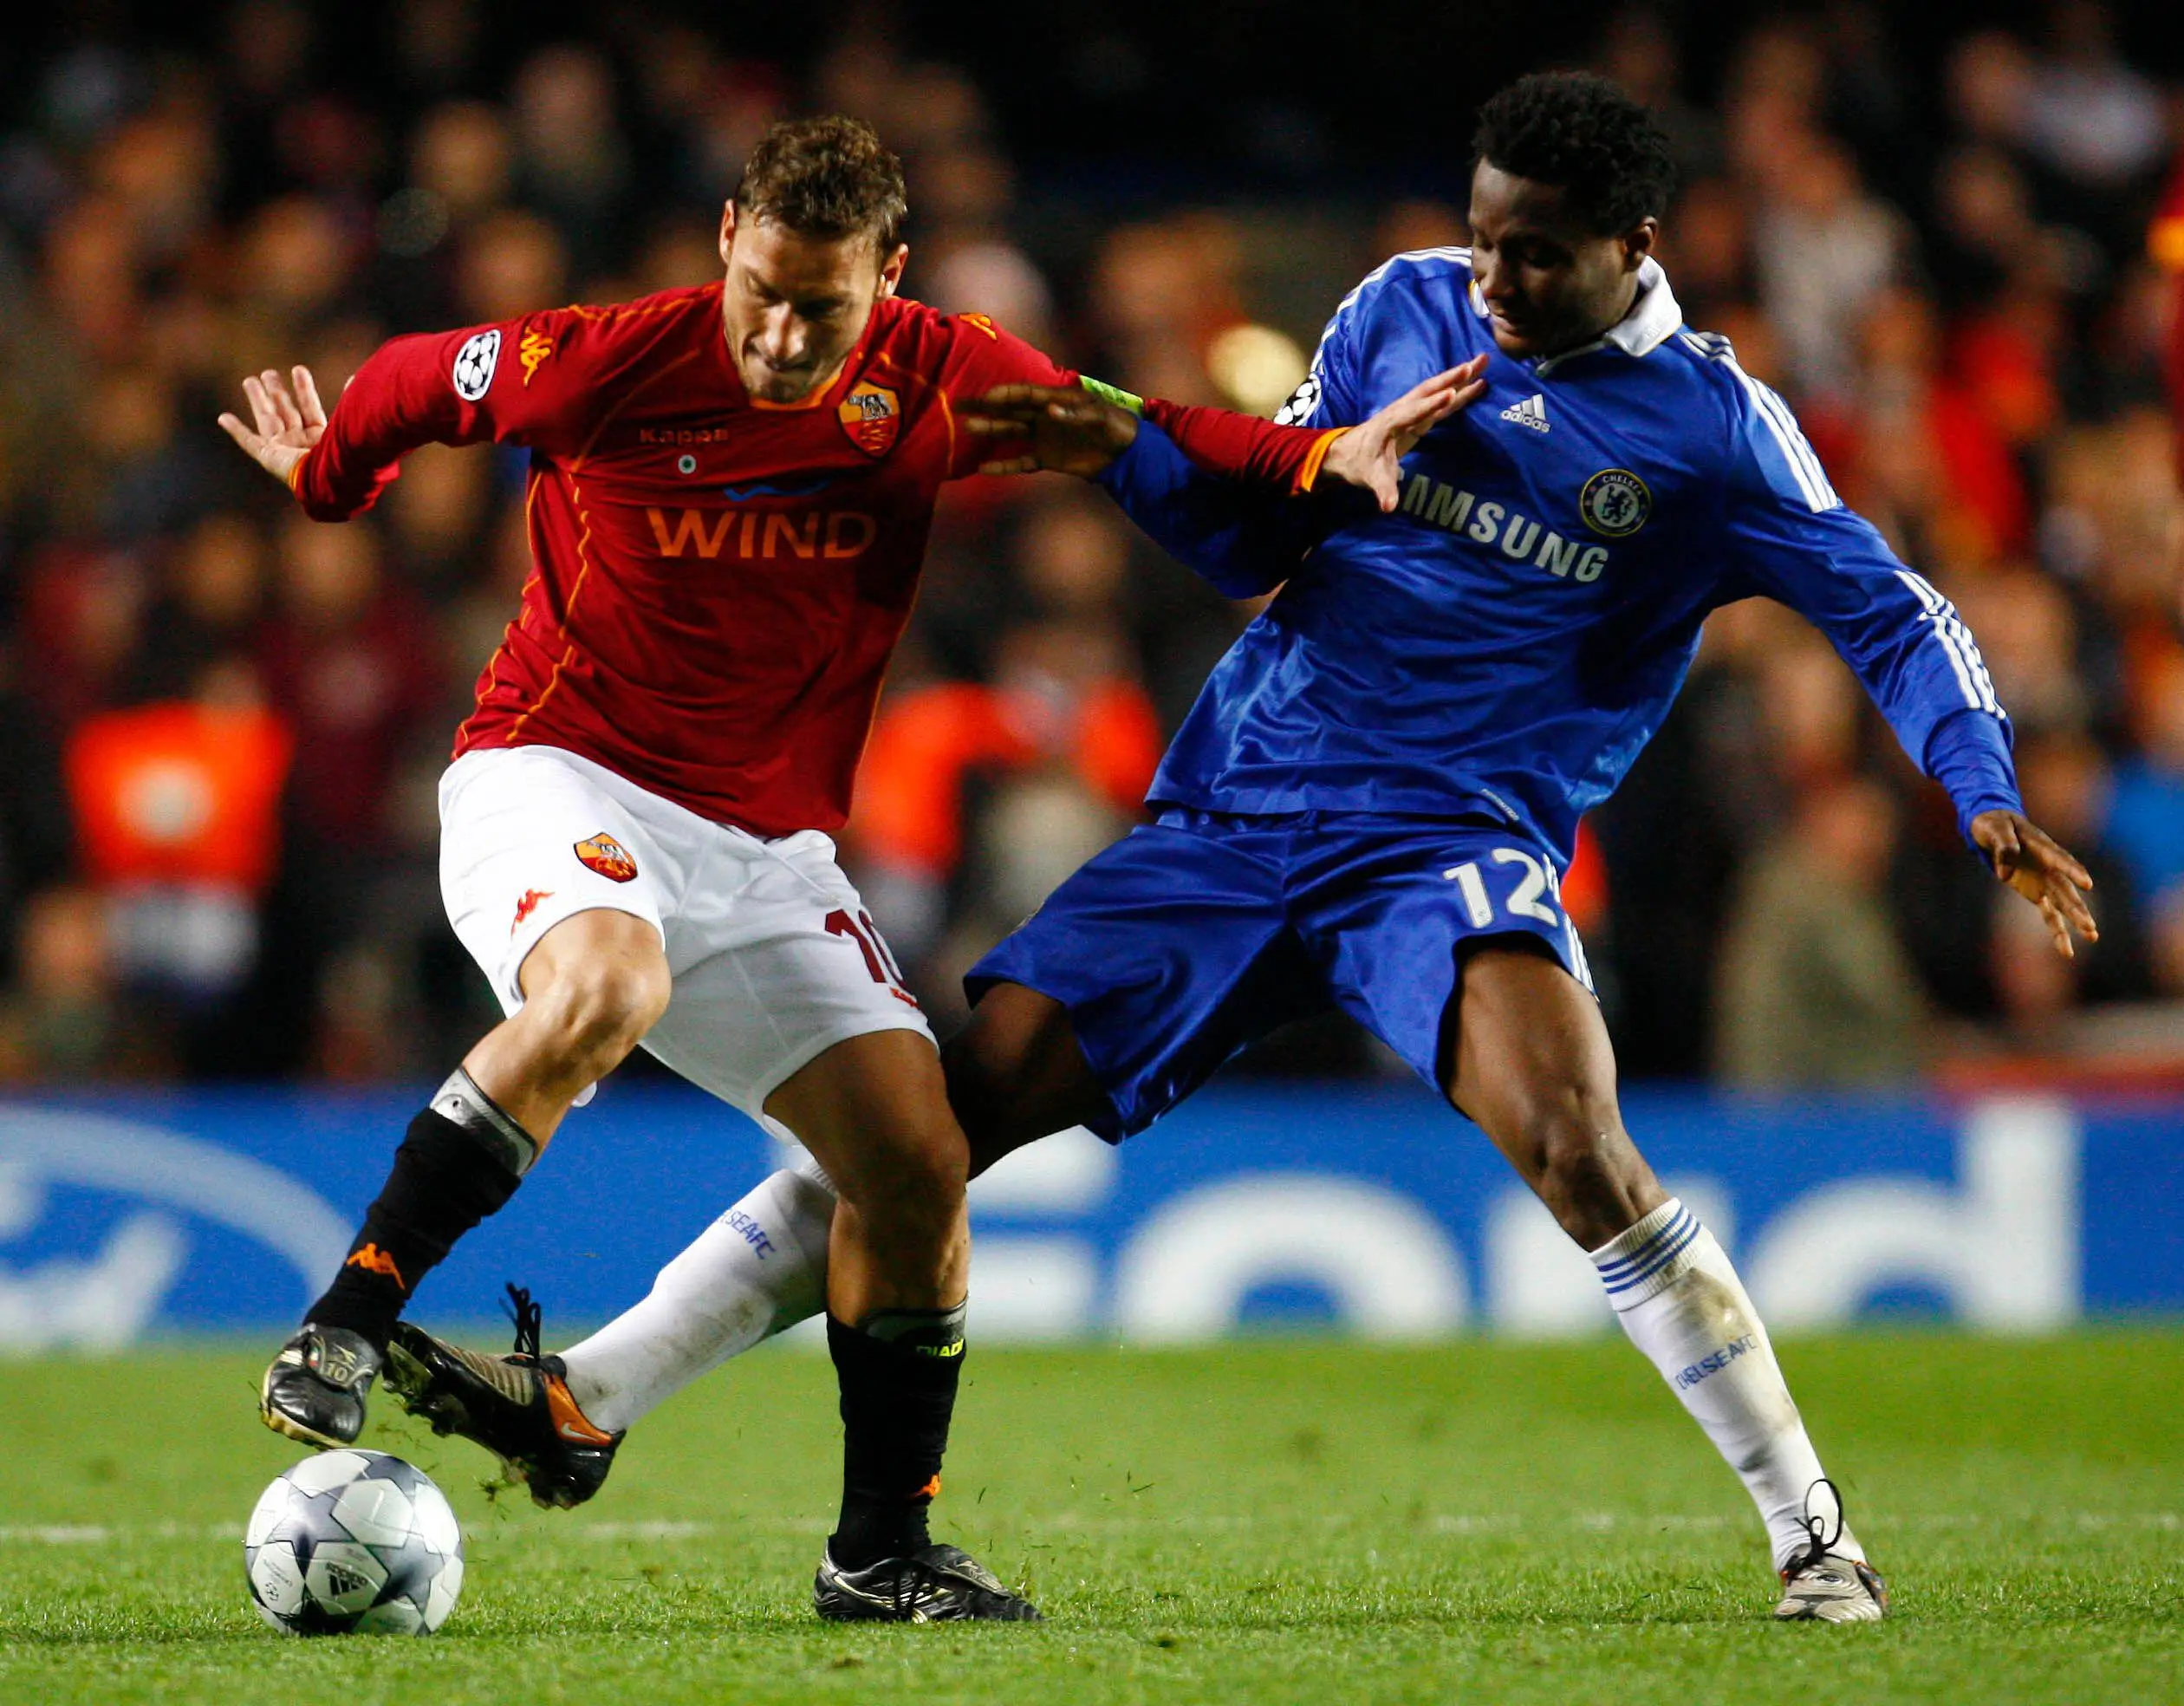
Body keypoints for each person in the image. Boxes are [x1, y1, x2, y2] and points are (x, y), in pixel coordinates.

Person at [387, 75, 2097, 1625]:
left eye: (1537, 261)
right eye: (1484, 239)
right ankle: (587, 1400)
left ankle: (1812, 1532)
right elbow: (1255, 536)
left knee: (1571, 1137)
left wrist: (1982, 782)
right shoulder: (1405, 307)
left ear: (1635, 250)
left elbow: (1891, 609)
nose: (1491, 286)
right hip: (1240, 811)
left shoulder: (1714, 433)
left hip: (1446, 838)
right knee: (934, 1130)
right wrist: (1127, 449)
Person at [217, 113, 1451, 1624]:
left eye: (827, 307)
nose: (786, 336)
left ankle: (879, 1552)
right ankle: (347, 1320)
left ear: (893, 277)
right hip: (558, 769)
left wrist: (1316, 456)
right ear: (729, 235)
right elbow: (417, 380)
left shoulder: (943, 377)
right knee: (608, 979)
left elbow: (1129, 430)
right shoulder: (609, 359)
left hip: (762, 847)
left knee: (919, 1163)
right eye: (766, 292)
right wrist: (333, 479)